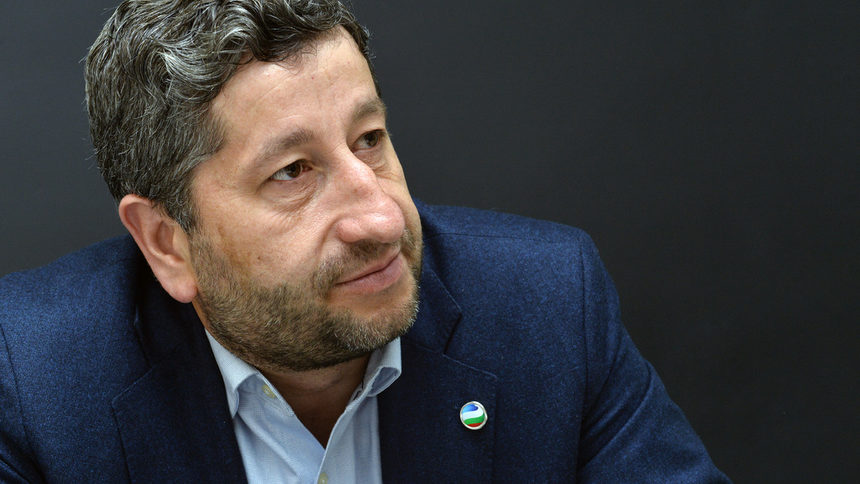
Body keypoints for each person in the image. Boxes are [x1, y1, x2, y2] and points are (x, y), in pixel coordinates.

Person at [0, 0, 730, 482]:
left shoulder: (547, 307)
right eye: (292, 172)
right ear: (167, 243)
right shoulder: (34, 382)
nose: (382, 220)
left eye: (369, 139)